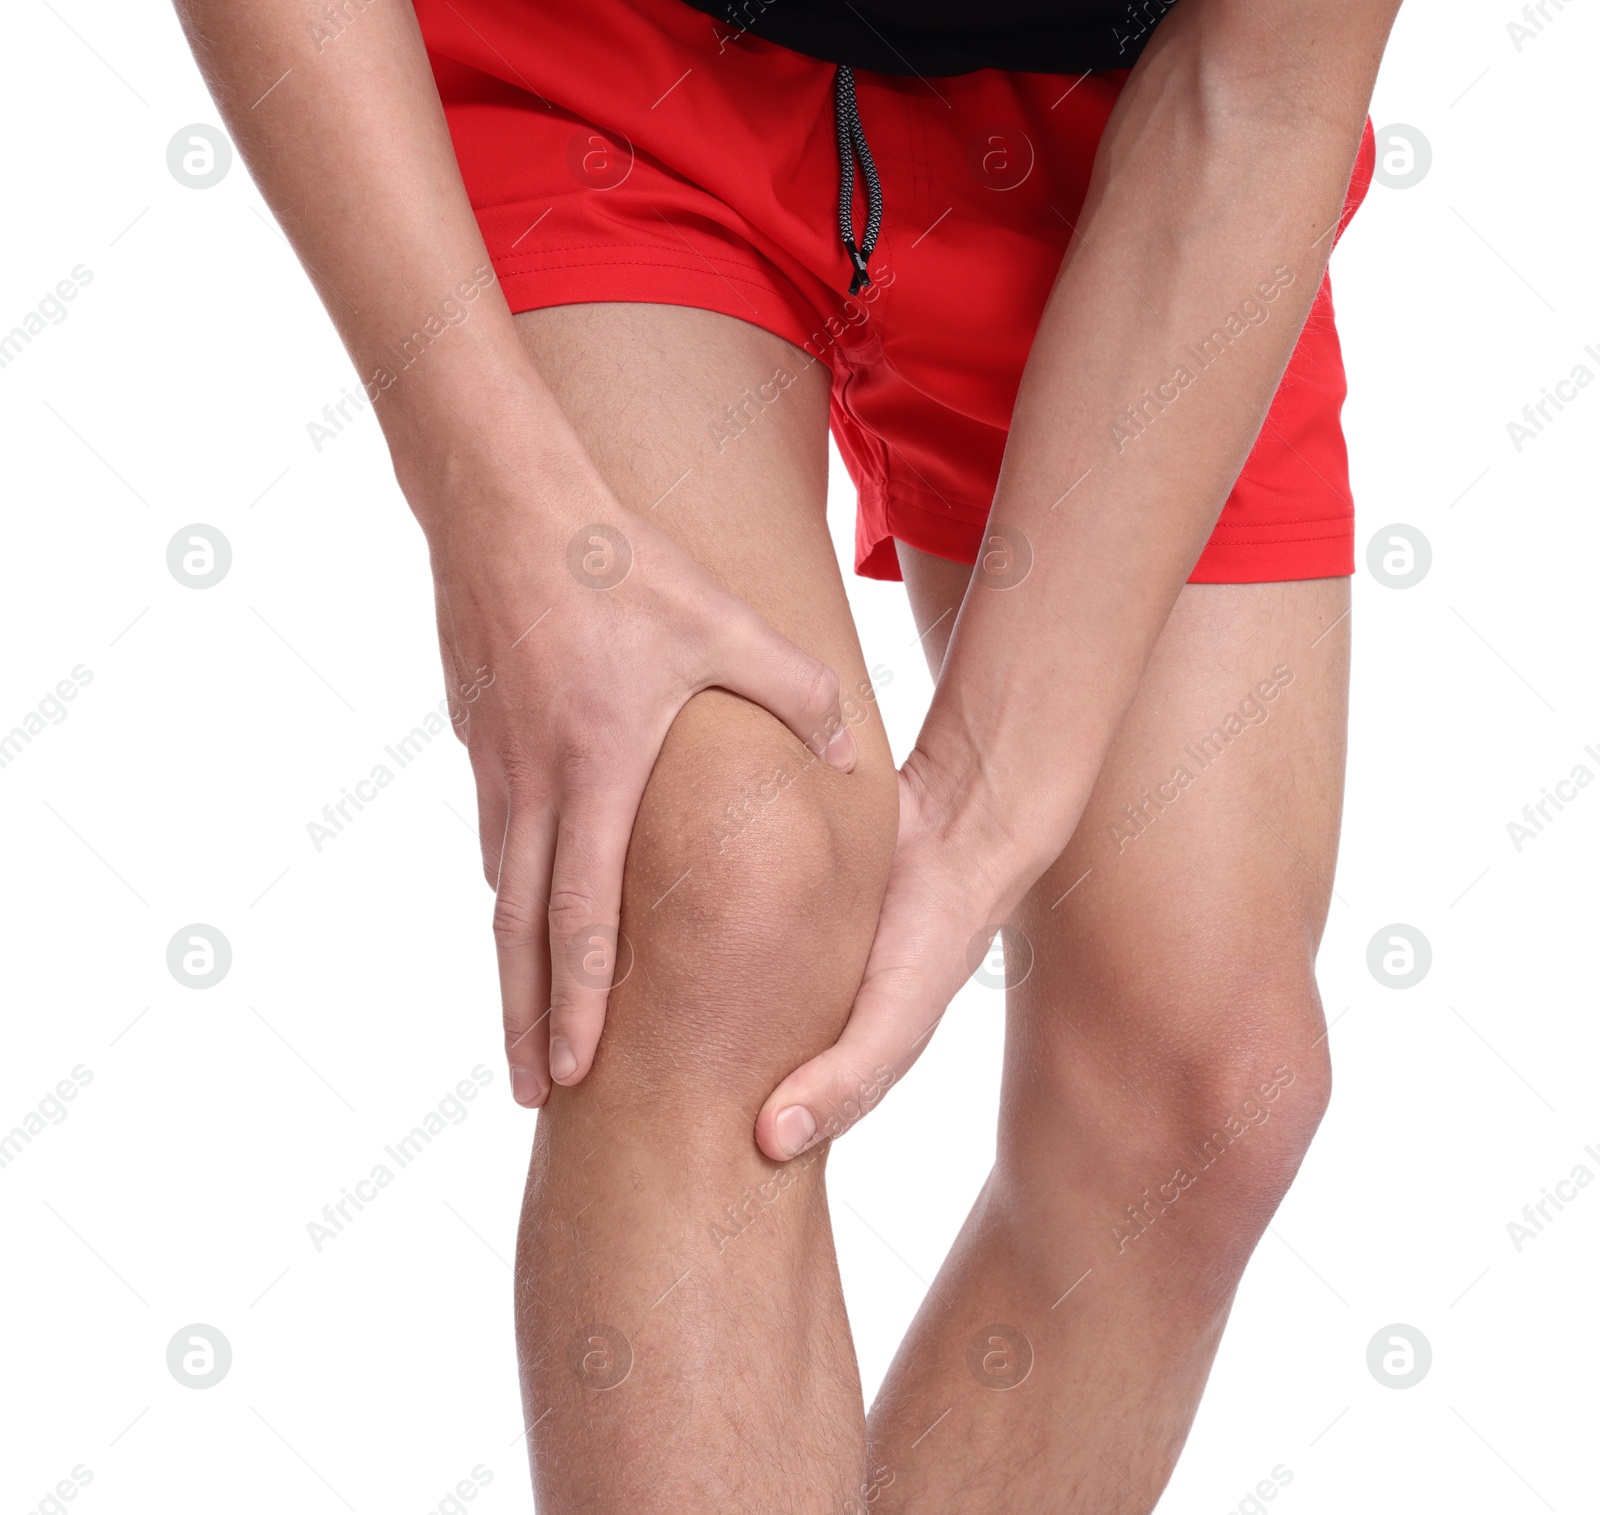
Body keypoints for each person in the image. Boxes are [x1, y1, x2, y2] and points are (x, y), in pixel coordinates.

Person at [173, 0, 1402, 1506]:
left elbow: (1262, 98)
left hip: (1113, 136)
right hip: (604, 57)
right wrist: (492, 499)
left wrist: (989, 796)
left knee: (1205, 1085)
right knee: (732, 879)